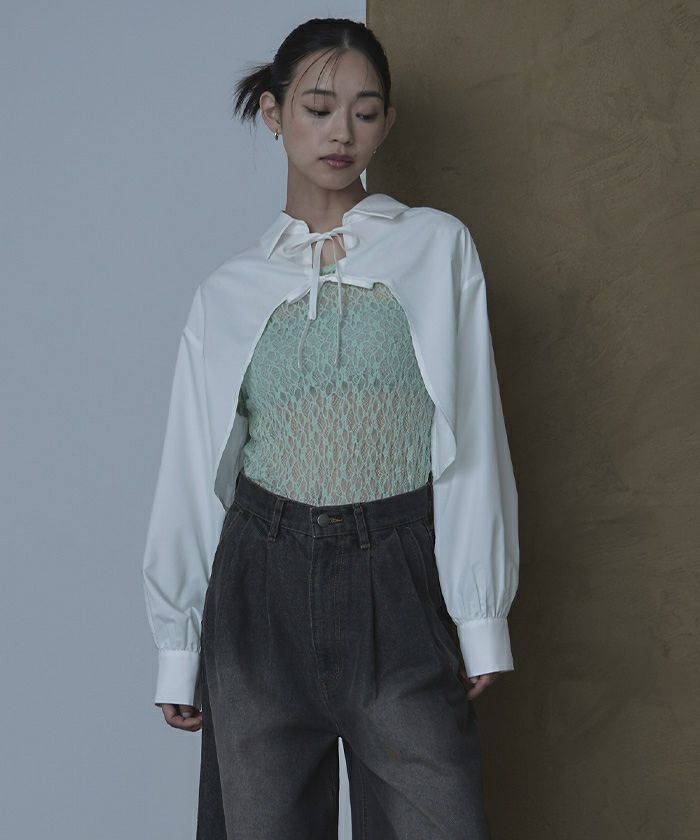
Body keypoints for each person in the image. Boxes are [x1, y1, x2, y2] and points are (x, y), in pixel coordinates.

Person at [142, 16, 519, 840]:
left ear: (386, 123)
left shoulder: (435, 247)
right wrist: (179, 644)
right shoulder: (230, 290)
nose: (342, 131)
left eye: (365, 111)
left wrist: (480, 616)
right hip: (258, 594)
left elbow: (472, 435)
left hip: (400, 585)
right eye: (318, 108)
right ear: (274, 114)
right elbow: (195, 469)